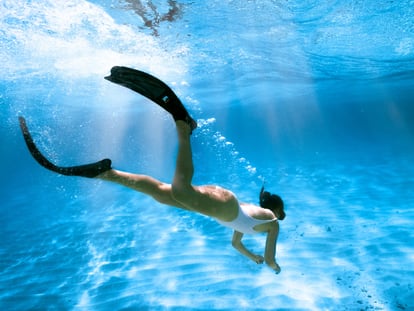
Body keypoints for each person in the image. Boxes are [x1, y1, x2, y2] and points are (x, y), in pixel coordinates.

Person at [19, 66, 286, 274]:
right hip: (225, 206)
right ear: (276, 212)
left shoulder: (257, 221)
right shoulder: (271, 224)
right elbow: (272, 256)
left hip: (223, 205)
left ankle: (105, 173)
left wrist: (254, 258)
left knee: (161, 193)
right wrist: (272, 266)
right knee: (181, 190)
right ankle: (184, 127)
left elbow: (236, 243)